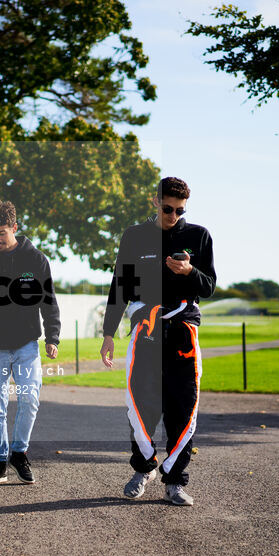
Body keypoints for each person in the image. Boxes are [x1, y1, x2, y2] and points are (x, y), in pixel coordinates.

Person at [100, 177, 216, 506]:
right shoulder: (135, 236)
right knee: (142, 402)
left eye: (180, 210)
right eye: (167, 208)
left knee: (183, 405)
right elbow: (119, 286)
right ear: (156, 202)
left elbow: (208, 287)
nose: (173, 216)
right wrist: (108, 333)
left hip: (183, 329)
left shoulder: (198, 235)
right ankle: (143, 468)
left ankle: (175, 481)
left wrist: (190, 272)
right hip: (145, 329)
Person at [0, 201, 60, 485]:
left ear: (14, 227)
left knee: (29, 399)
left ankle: (19, 453)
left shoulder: (36, 260)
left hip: (26, 344)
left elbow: (49, 301)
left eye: (1, 233)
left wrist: (53, 336)